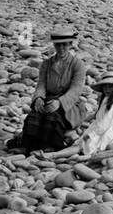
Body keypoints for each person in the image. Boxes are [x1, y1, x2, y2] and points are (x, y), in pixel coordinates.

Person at [10, 25, 90, 153]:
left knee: (52, 117)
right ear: (54, 46)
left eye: (64, 45)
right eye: (58, 45)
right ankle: (29, 145)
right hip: (48, 97)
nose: (61, 48)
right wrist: (38, 98)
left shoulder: (77, 65)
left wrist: (60, 102)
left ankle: (50, 146)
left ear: (70, 44)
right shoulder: (46, 64)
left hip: (68, 103)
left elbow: (76, 90)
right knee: (35, 115)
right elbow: (41, 84)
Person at [47, 74, 113, 159]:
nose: (107, 89)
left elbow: (105, 123)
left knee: (82, 143)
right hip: (103, 127)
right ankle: (58, 151)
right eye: (105, 87)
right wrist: (81, 122)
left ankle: (54, 155)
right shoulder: (108, 98)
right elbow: (98, 115)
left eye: (110, 87)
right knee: (77, 137)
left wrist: (91, 134)